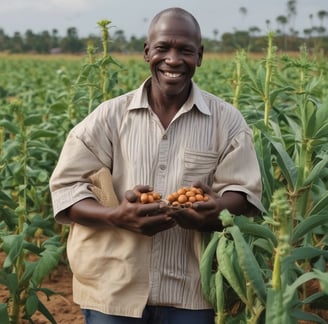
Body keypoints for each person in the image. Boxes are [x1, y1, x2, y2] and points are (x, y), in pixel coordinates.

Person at [49, 7, 263, 324]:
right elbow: (66, 189)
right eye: (163, 48)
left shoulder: (226, 121)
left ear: (200, 56)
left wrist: (214, 209)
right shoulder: (109, 117)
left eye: (185, 50)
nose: (173, 60)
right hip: (114, 290)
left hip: (191, 292)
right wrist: (117, 216)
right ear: (147, 52)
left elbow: (243, 193)